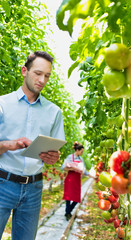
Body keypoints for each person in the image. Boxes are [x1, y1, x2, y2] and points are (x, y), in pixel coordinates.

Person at [0, 51, 65, 240]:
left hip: (33, 188)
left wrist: (54, 158)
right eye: (37, 73)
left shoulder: (54, 112)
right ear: (24, 71)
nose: (42, 80)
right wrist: (7, 145)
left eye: (47, 76)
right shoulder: (3, 104)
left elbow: (55, 153)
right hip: (3, 183)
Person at [61, 141, 95, 221]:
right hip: (70, 178)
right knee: (68, 197)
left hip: (77, 180)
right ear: (77, 150)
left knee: (76, 198)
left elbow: (84, 171)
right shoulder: (70, 157)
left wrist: (92, 176)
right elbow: (63, 167)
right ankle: (67, 213)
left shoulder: (81, 159)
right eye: (81, 151)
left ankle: (68, 212)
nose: (82, 153)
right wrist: (73, 168)